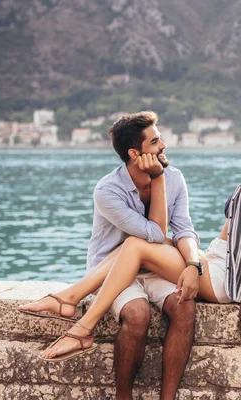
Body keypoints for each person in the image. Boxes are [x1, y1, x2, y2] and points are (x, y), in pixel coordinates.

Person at [23, 114, 241, 368]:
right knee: (133, 249)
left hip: (225, 277)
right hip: (218, 265)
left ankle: (81, 325)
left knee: (135, 246)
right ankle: (69, 302)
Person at [19, 111, 201, 400]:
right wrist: (157, 180)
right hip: (113, 271)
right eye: (155, 142)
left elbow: (184, 229)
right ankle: (123, 395)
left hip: (154, 268)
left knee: (185, 307)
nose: (164, 145)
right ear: (134, 153)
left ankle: (168, 398)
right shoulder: (108, 191)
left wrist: (193, 262)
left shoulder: (175, 178)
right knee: (137, 314)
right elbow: (153, 233)